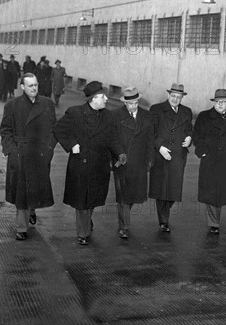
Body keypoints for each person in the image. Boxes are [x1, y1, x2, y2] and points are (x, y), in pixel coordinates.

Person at [53, 81, 127, 245]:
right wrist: (71, 144)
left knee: (93, 198)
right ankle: (83, 233)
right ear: (93, 99)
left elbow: (112, 138)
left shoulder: (108, 115)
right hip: (81, 165)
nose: (106, 99)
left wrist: (120, 153)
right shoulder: (75, 113)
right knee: (81, 200)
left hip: (100, 165)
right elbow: (58, 129)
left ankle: (87, 221)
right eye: (102, 97)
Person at [0, 73, 57, 241]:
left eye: (36, 85)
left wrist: (49, 149)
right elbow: (5, 130)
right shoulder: (12, 106)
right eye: (30, 86)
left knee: (35, 189)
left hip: (40, 154)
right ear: (22, 87)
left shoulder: (47, 104)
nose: (34, 88)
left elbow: (54, 130)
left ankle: (32, 210)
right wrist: (12, 151)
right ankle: (21, 228)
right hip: (20, 154)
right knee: (21, 193)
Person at [193, 89, 226, 235]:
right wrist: (202, 151)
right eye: (218, 102)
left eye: (224, 102)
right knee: (211, 192)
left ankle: (215, 220)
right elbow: (197, 136)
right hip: (211, 159)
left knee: (222, 191)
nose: (221, 104)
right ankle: (214, 223)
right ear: (214, 102)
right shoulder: (204, 117)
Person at [149, 83, 193, 232]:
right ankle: (164, 220)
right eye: (173, 96)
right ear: (168, 95)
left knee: (174, 189)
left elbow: (189, 129)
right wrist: (160, 147)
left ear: (182, 98)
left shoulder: (187, 112)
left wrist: (189, 137)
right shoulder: (156, 109)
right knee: (161, 188)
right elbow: (151, 132)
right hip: (161, 154)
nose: (175, 99)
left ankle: (164, 214)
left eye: (178, 97)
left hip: (178, 155)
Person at [112, 87, 154, 239]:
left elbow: (150, 139)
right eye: (130, 103)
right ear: (125, 103)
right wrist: (118, 155)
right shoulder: (116, 115)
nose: (133, 106)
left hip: (140, 162)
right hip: (122, 161)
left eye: (136, 102)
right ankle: (124, 226)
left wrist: (150, 160)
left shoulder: (147, 115)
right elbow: (113, 139)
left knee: (134, 195)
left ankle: (125, 219)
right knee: (123, 195)